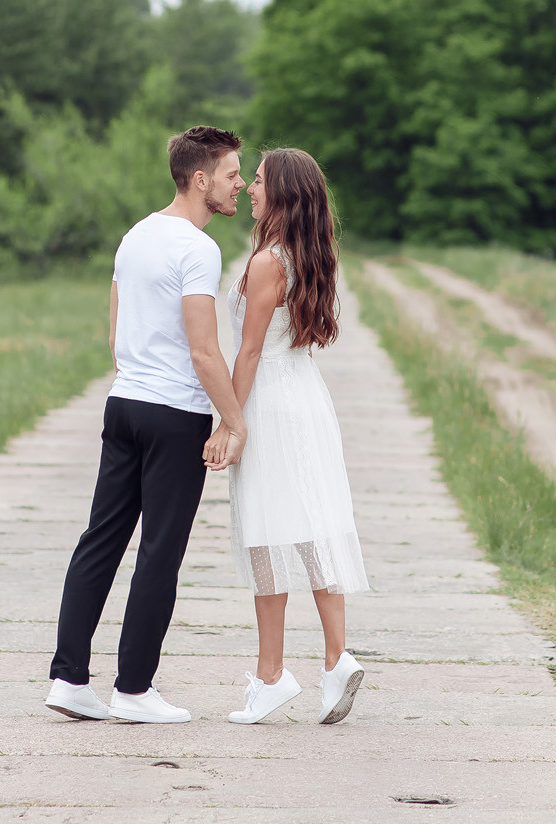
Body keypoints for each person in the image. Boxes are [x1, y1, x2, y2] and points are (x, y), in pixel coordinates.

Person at [44, 125, 249, 724]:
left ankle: (68, 679)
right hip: (172, 415)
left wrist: (135, 376)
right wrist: (233, 422)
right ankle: (134, 689)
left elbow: (115, 330)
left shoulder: (135, 235)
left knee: (100, 540)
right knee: (159, 551)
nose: (239, 185)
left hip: (124, 403)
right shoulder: (198, 248)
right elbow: (205, 352)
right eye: (233, 174)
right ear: (201, 179)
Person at [220, 146, 369, 726]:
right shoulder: (308, 255)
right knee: (311, 525)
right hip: (306, 394)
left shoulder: (265, 263)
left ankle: (271, 674)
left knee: (266, 530)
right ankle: (335, 658)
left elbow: (251, 350)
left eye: (256, 182)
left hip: (273, 400)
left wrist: (229, 421)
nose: (249, 189)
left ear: (280, 193)